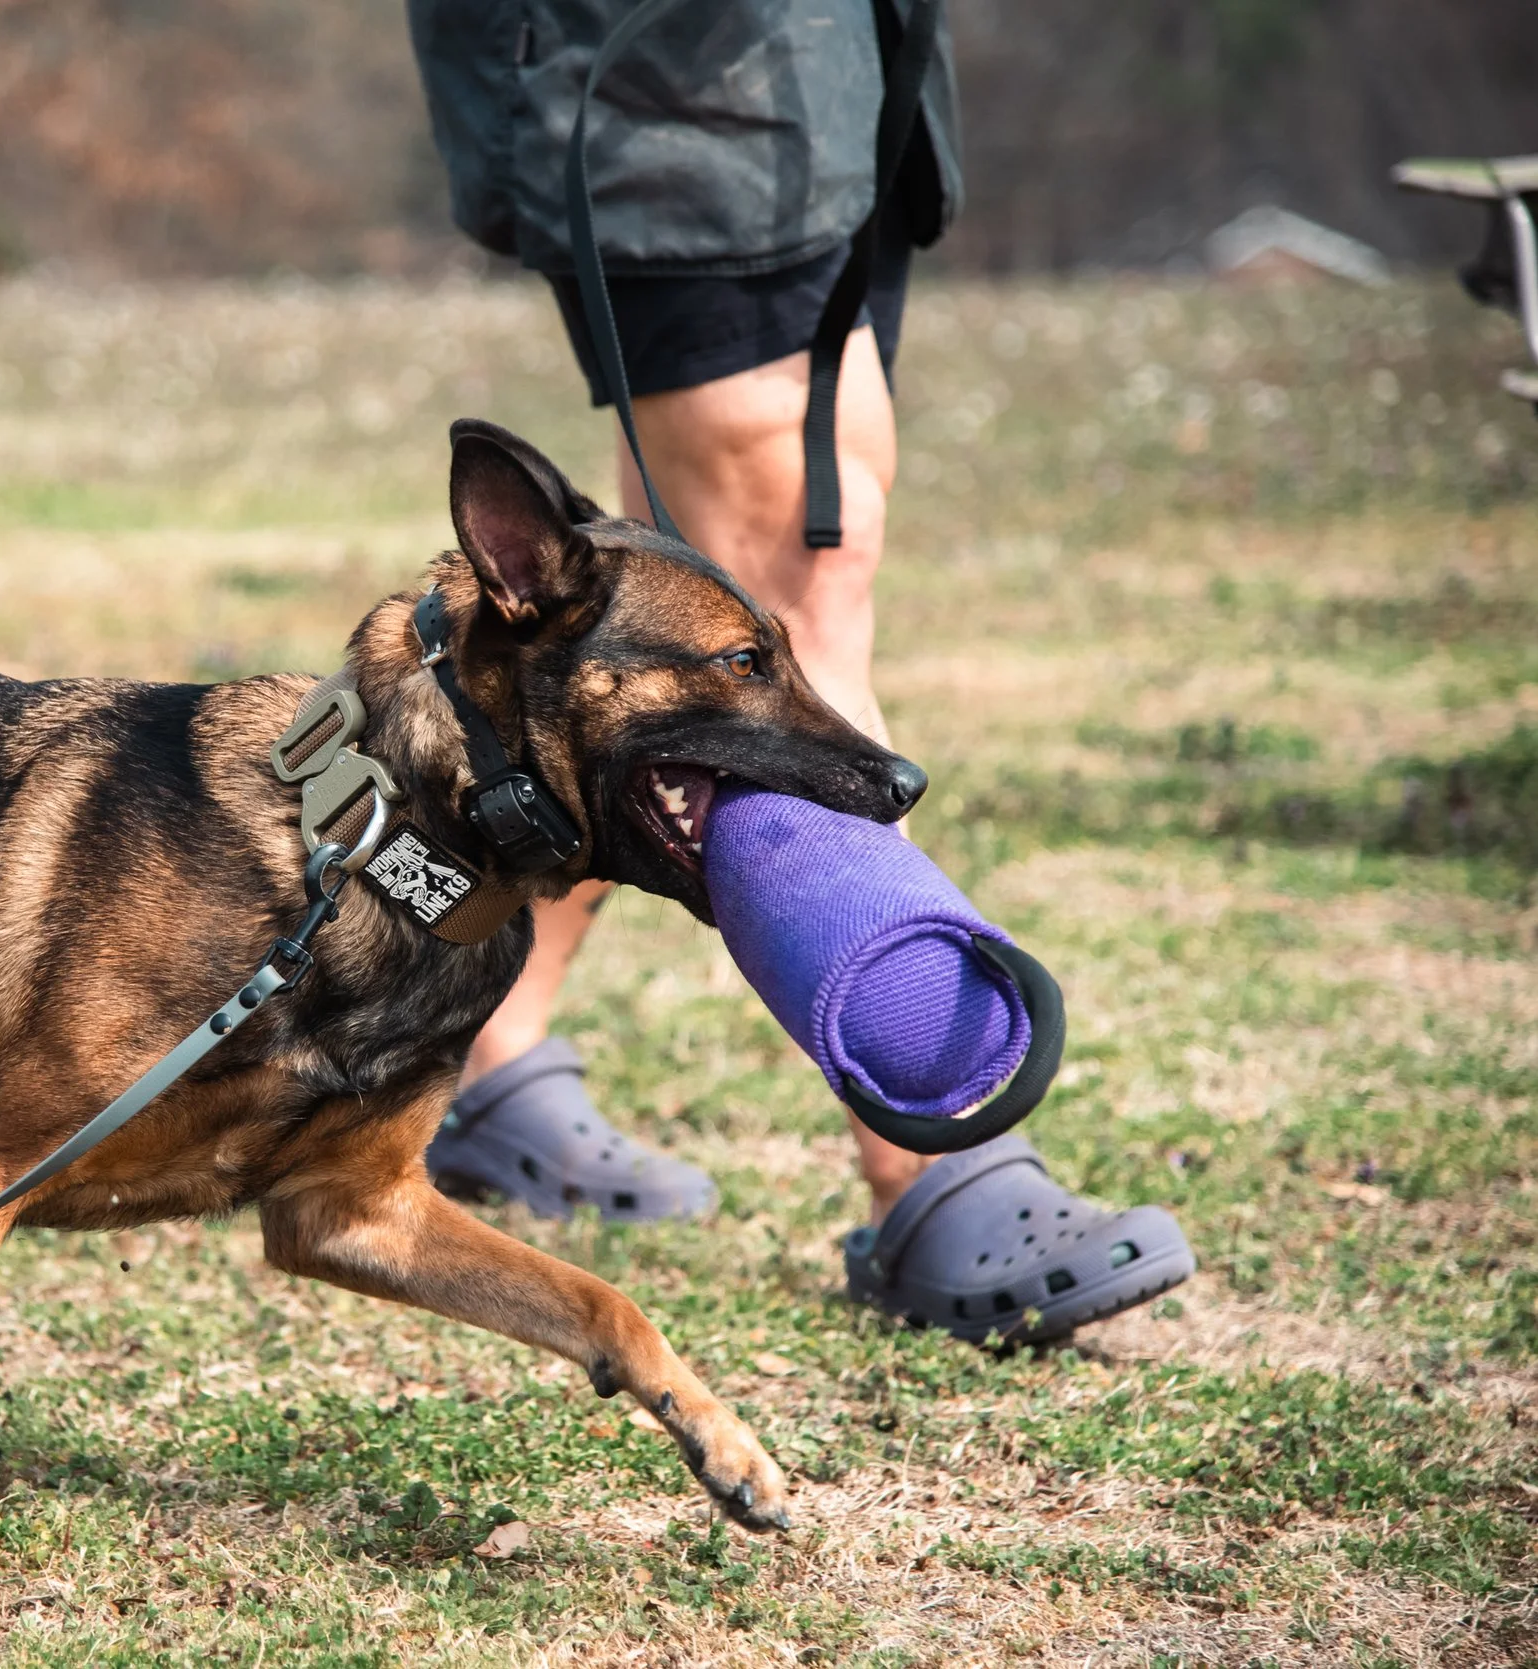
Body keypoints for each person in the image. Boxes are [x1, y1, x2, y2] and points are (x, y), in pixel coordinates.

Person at [405, 0, 1193, 1341]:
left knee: (686, 584)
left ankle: (482, 1053)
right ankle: (933, 1171)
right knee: (783, 586)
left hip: (822, 67)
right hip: (690, 76)